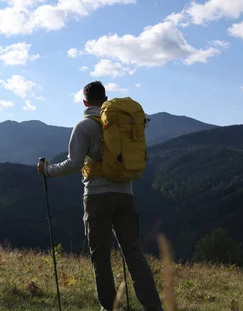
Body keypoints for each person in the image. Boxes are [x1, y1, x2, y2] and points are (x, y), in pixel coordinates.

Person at [37, 81, 162, 311]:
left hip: (97, 197)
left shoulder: (84, 126)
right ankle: (154, 307)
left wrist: (48, 170)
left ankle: (110, 308)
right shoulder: (120, 122)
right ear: (106, 98)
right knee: (134, 254)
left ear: (84, 102)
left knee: (101, 257)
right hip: (126, 195)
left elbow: (74, 163)